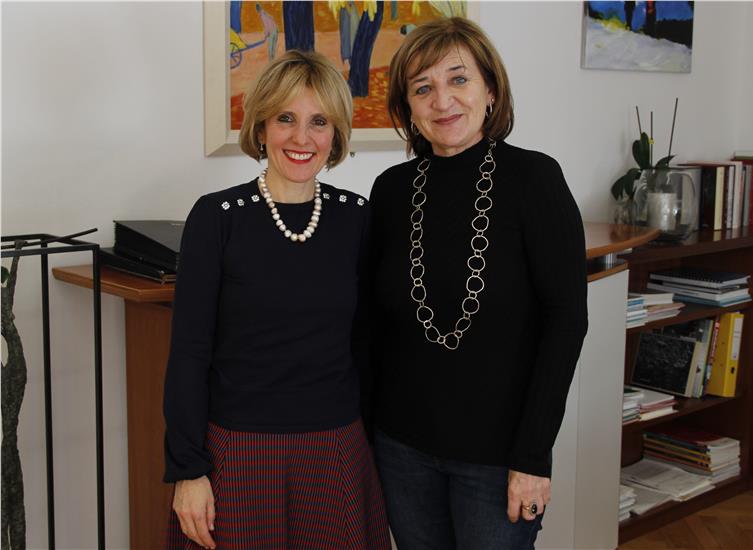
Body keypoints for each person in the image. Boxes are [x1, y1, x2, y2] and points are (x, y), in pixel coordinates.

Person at [367, 17, 588, 550]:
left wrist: (533, 456)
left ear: (490, 90)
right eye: (423, 87)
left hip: (498, 459)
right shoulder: (391, 190)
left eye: (458, 79)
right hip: (401, 450)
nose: (442, 100)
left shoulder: (536, 179)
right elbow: (371, 325)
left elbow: (566, 323)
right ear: (408, 107)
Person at [163, 49, 391, 550]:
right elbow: (189, 353)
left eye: (318, 122)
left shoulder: (356, 217)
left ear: (335, 134)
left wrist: (373, 450)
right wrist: (188, 469)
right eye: (286, 118)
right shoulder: (217, 217)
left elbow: (367, 347)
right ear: (262, 126)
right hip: (236, 452)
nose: (301, 138)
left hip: (336, 448)